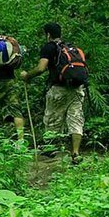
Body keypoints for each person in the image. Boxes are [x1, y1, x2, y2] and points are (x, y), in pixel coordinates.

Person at [21, 22, 86, 163]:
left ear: (48, 34)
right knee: (76, 119)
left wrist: (27, 76)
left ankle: (50, 150)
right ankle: (75, 153)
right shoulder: (70, 47)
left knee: (52, 119)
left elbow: (41, 68)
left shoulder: (49, 47)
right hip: (77, 88)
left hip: (58, 89)